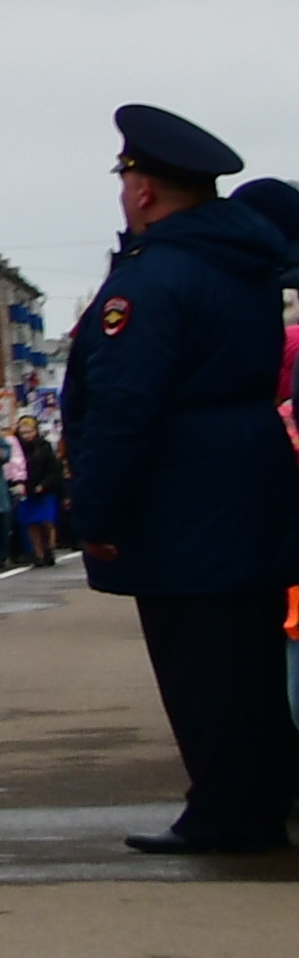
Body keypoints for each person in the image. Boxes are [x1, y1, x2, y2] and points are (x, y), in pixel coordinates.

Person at [68, 106, 299, 855]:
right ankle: (259, 800)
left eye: (128, 175)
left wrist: (98, 510)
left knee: (200, 664)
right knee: (250, 660)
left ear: (144, 190)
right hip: (248, 474)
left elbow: (126, 402)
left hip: (183, 492)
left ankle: (227, 812)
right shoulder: (245, 264)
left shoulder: (156, 276)